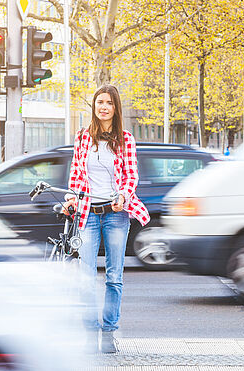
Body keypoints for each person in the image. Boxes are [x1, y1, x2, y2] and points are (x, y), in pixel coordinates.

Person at [64, 84, 150, 353]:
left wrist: (123, 195)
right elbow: (77, 176)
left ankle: (109, 332)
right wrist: (71, 198)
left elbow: (131, 175)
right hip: (88, 214)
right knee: (86, 277)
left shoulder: (125, 139)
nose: (103, 107)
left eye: (109, 103)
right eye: (99, 102)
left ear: (115, 108)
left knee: (114, 277)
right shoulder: (82, 137)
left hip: (115, 215)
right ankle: (90, 333)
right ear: (94, 106)